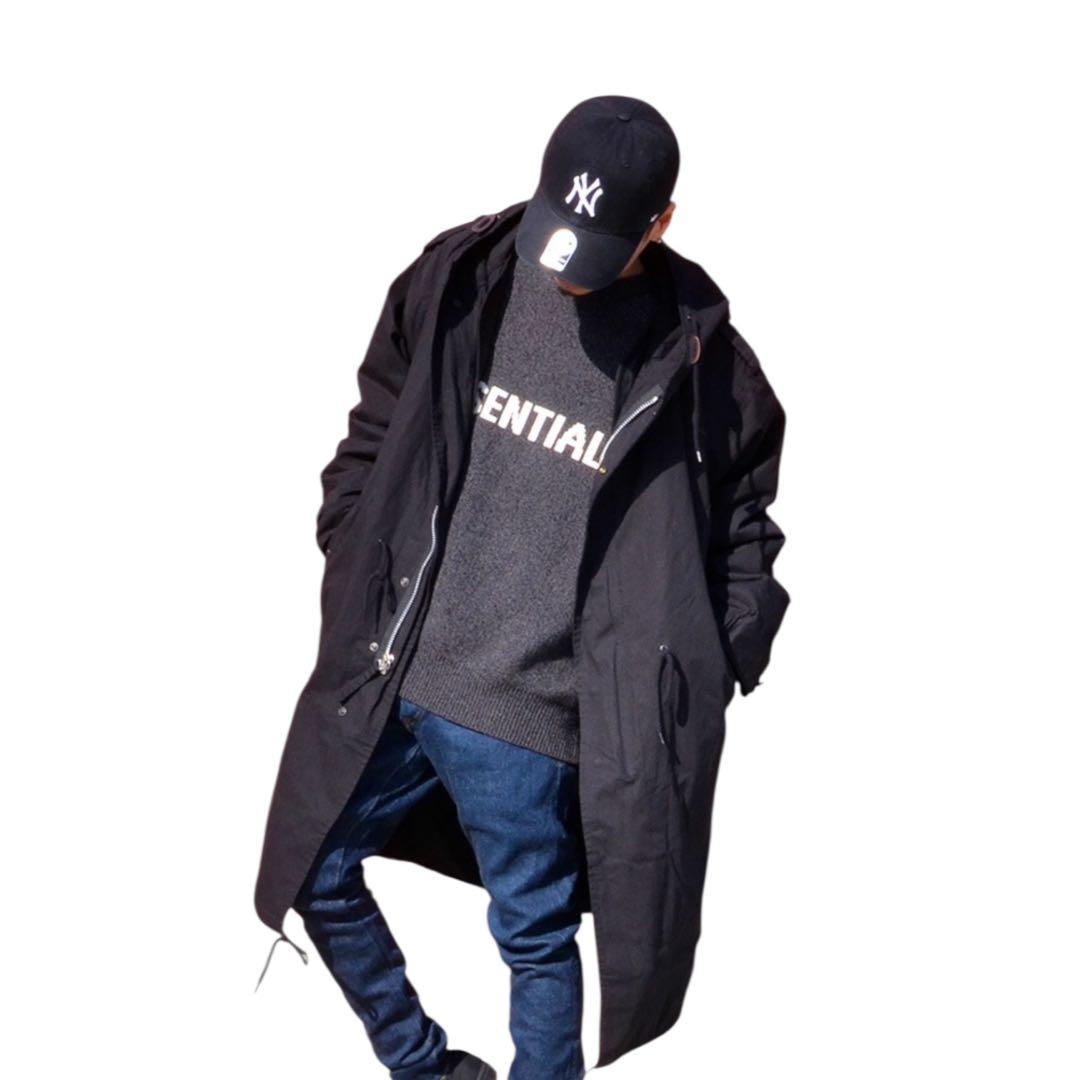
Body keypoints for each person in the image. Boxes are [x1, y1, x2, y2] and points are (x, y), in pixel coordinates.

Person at [254, 95, 791, 1080]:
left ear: (661, 224)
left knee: (535, 944)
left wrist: (690, 677)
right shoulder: (467, 276)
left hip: (535, 721)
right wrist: (353, 549)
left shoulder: (706, 368)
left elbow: (745, 544)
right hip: (397, 671)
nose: (565, 263)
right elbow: (378, 418)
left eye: (599, 246)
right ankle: (425, 1068)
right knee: (311, 870)